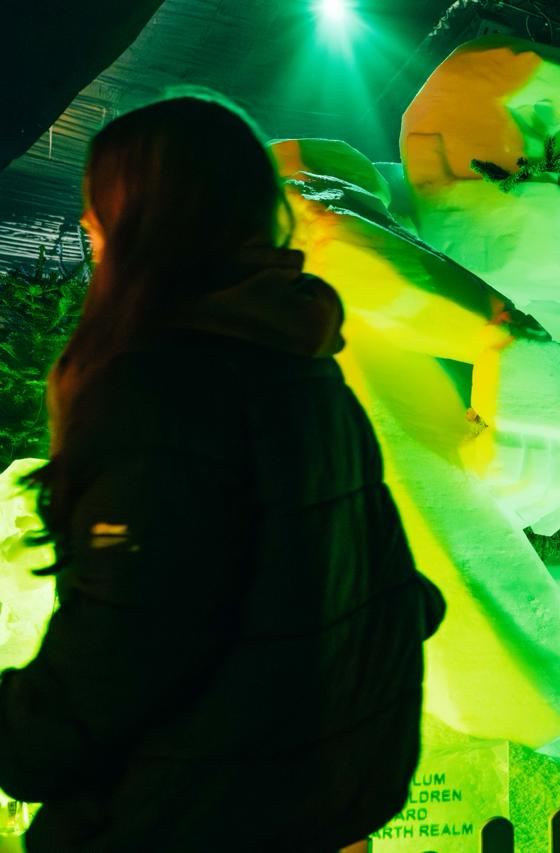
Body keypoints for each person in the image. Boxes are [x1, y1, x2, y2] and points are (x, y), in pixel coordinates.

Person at [0, 94, 444, 851]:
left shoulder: (155, 388)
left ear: (147, 221)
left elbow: (124, 647)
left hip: (179, 816)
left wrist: (21, 736)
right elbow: (398, 593)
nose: (86, 224)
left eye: (101, 203)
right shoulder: (304, 366)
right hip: (310, 804)